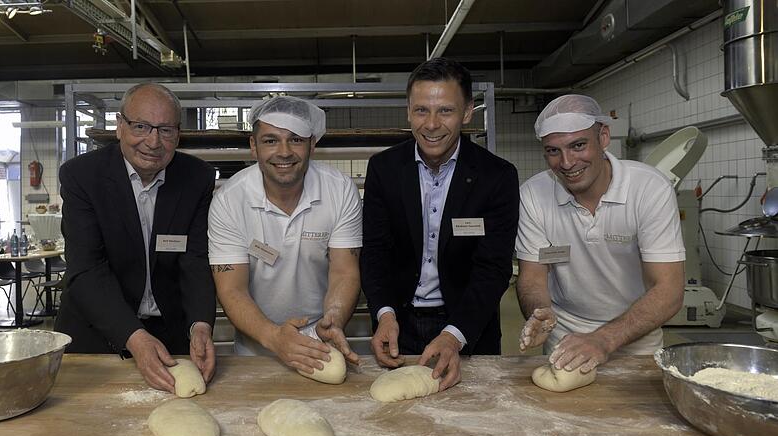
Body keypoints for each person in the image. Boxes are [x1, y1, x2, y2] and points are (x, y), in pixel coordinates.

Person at [361, 57, 519, 391]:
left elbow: (492, 267)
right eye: (421, 110)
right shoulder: (384, 169)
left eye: (445, 111)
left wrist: (455, 335)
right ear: (408, 111)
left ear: (467, 112)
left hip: (469, 326)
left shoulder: (497, 176)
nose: (431, 124)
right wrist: (384, 314)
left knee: (473, 423)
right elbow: (376, 251)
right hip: (400, 326)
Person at [56, 83, 217, 392]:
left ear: (178, 134)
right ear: (120, 126)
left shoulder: (196, 178)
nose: (153, 141)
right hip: (96, 333)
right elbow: (87, 269)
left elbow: (195, 260)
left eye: (165, 130)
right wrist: (134, 336)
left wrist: (200, 324)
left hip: (170, 336)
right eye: (141, 126)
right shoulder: (82, 177)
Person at [516, 94, 685, 373]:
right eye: (553, 151)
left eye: (578, 145)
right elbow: (533, 276)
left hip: (637, 346)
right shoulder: (534, 195)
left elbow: (669, 290)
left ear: (603, 137)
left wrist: (603, 340)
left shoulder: (649, 189)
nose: (567, 162)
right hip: (565, 347)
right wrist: (540, 313)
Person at [208, 96, 362, 373]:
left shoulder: (339, 190)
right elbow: (232, 288)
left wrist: (333, 321)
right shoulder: (229, 200)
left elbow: (344, 272)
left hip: (321, 346)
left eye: (296, 139)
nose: (284, 152)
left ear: (312, 144)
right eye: (270, 140)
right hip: (255, 349)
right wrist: (274, 338)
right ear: (253, 146)